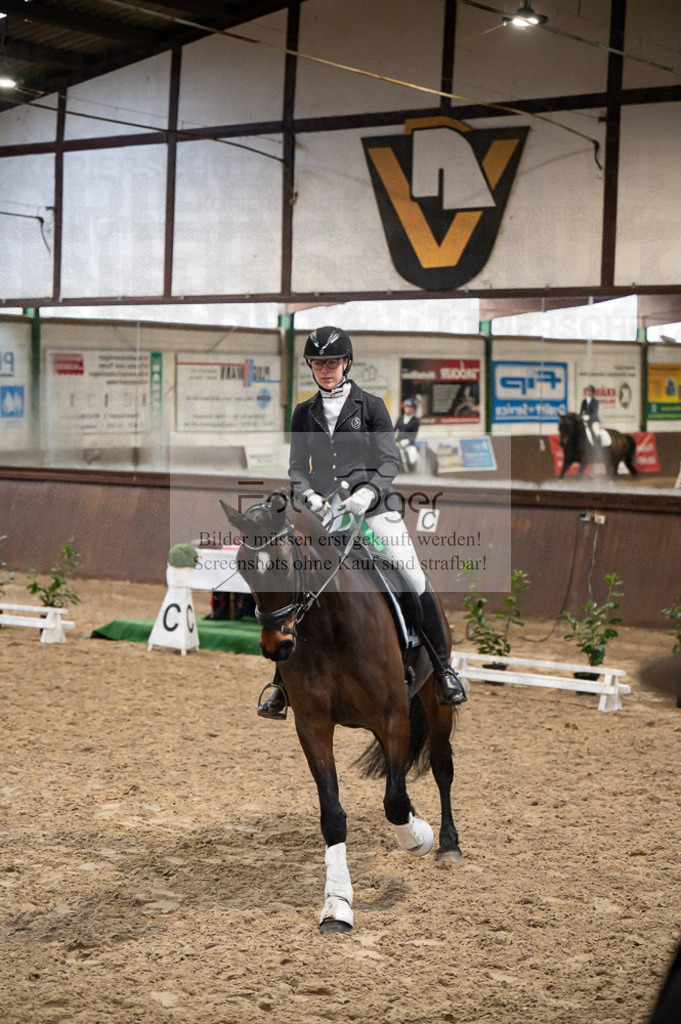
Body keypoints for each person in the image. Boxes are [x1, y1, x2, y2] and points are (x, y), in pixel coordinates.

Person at [257, 326, 467, 719]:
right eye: (318, 364)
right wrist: (310, 496)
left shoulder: (371, 406)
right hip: (327, 515)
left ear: (346, 363)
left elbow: (390, 461)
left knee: (413, 576)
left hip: (374, 510)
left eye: (332, 363)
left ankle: (443, 670)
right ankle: (282, 685)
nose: (326, 370)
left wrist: (368, 493)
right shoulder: (305, 413)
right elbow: (297, 469)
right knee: (301, 584)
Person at [394, 397, 420, 472]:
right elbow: (394, 429)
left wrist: (408, 441)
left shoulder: (415, 421)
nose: (408, 409)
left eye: (410, 407)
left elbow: (414, 434)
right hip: (398, 442)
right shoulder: (400, 418)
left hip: (409, 443)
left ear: (413, 409)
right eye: (406, 407)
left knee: (413, 457)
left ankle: (412, 471)